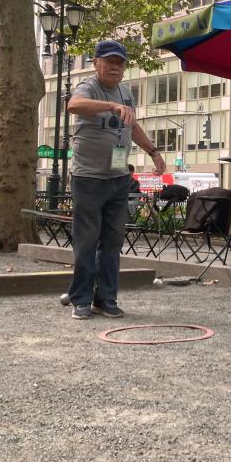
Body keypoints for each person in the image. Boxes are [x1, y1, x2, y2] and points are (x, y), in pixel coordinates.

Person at [65, 40, 166, 320]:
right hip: (88, 178)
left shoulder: (125, 91)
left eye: (120, 62)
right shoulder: (89, 87)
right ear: (96, 62)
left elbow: (132, 126)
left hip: (119, 178)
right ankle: (81, 299)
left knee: (112, 242)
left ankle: (106, 298)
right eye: (109, 61)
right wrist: (109, 105)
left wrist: (153, 151)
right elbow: (74, 105)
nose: (115, 67)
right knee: (87, 240)